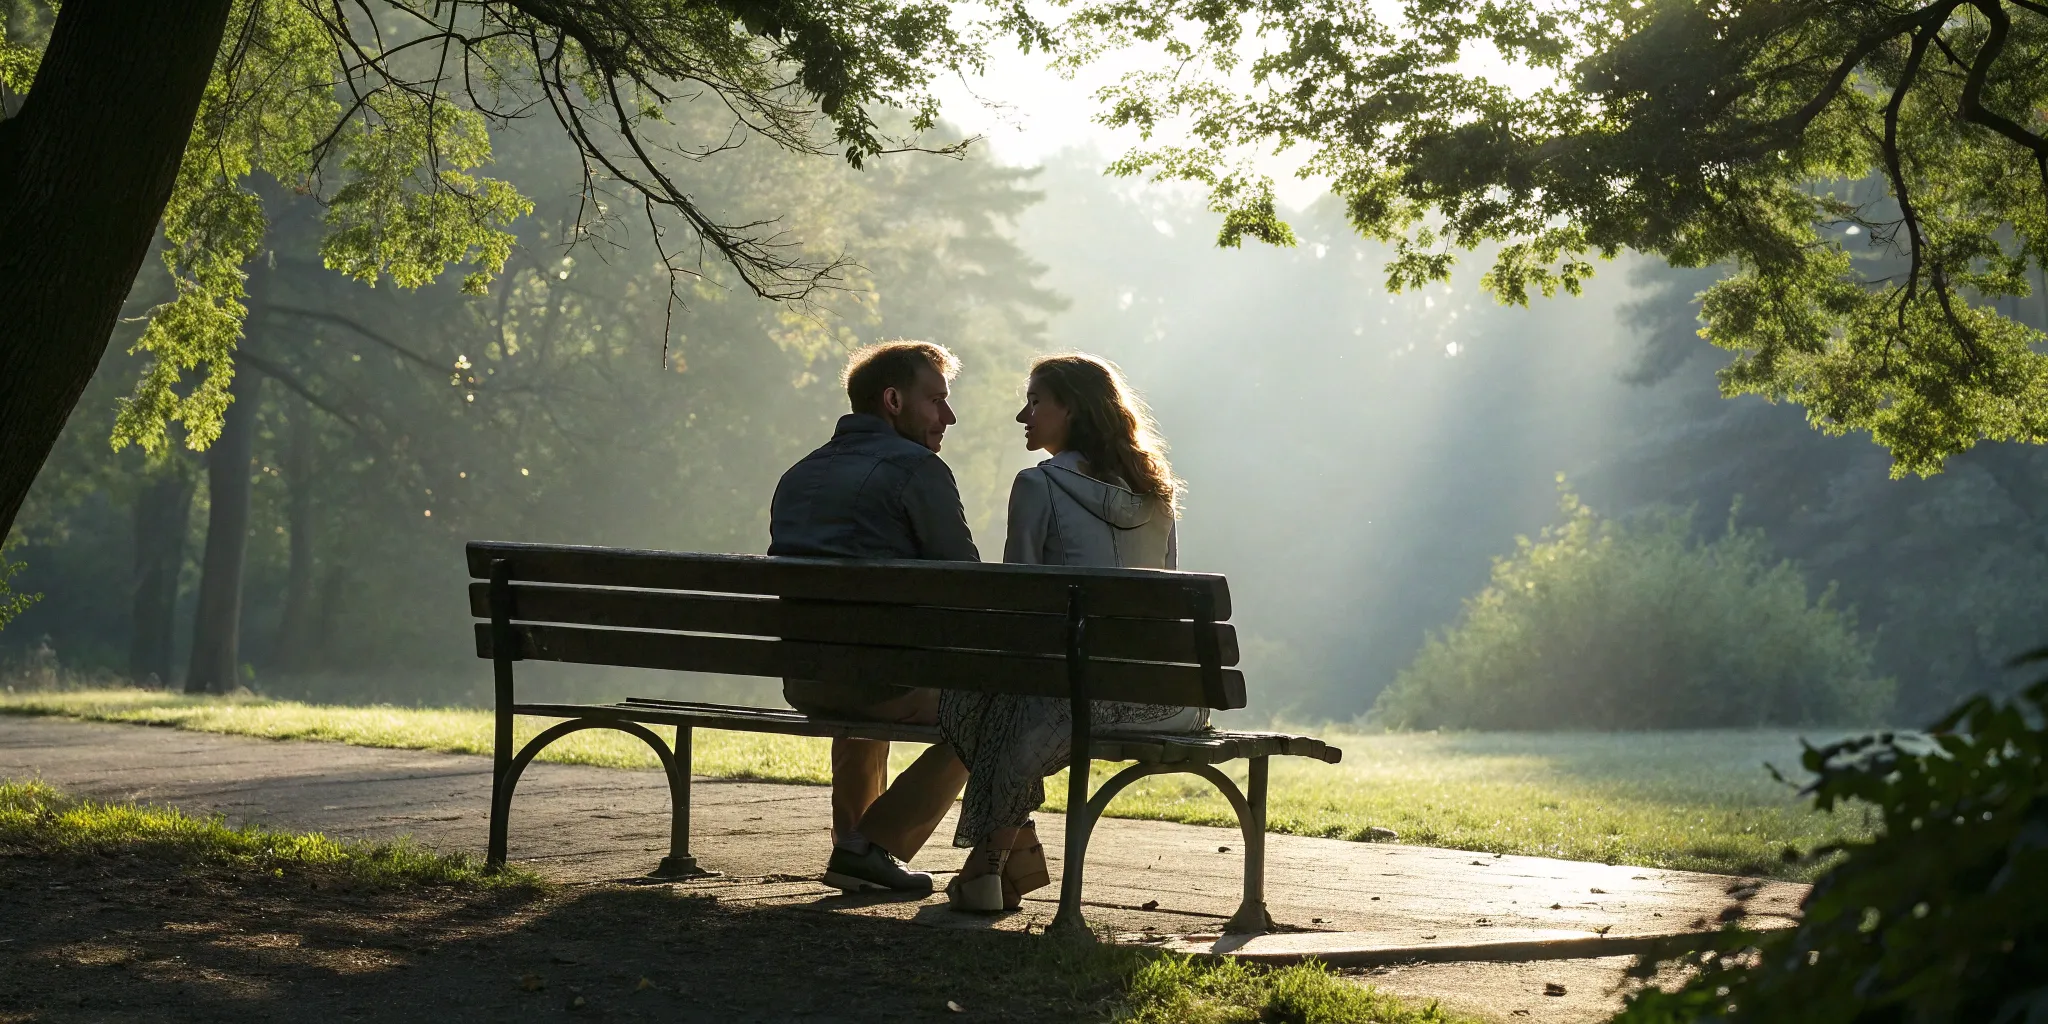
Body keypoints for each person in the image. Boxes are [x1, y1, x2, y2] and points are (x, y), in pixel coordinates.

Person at [938, 353, 1208, 912]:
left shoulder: (1037, 486)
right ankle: (989, 871)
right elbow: (1167, 603)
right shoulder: (1157, 494)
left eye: (1035, 401)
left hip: (1077, 697)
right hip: (1165, 699)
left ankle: (989, 868)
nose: (1023, 416)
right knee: (1012, 706)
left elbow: (1021, 609)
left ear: (1073, 408)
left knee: (975, 700)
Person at [768, 340, 976, 894]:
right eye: (936, 401)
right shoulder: (918, 470)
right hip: (882, 683)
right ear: (892, 400)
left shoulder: (799, 474)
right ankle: (873, 845)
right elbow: (970, 586)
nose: (948, 417)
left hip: (807, 680)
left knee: (860, 660)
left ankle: (851, 848)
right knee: (996, 711)